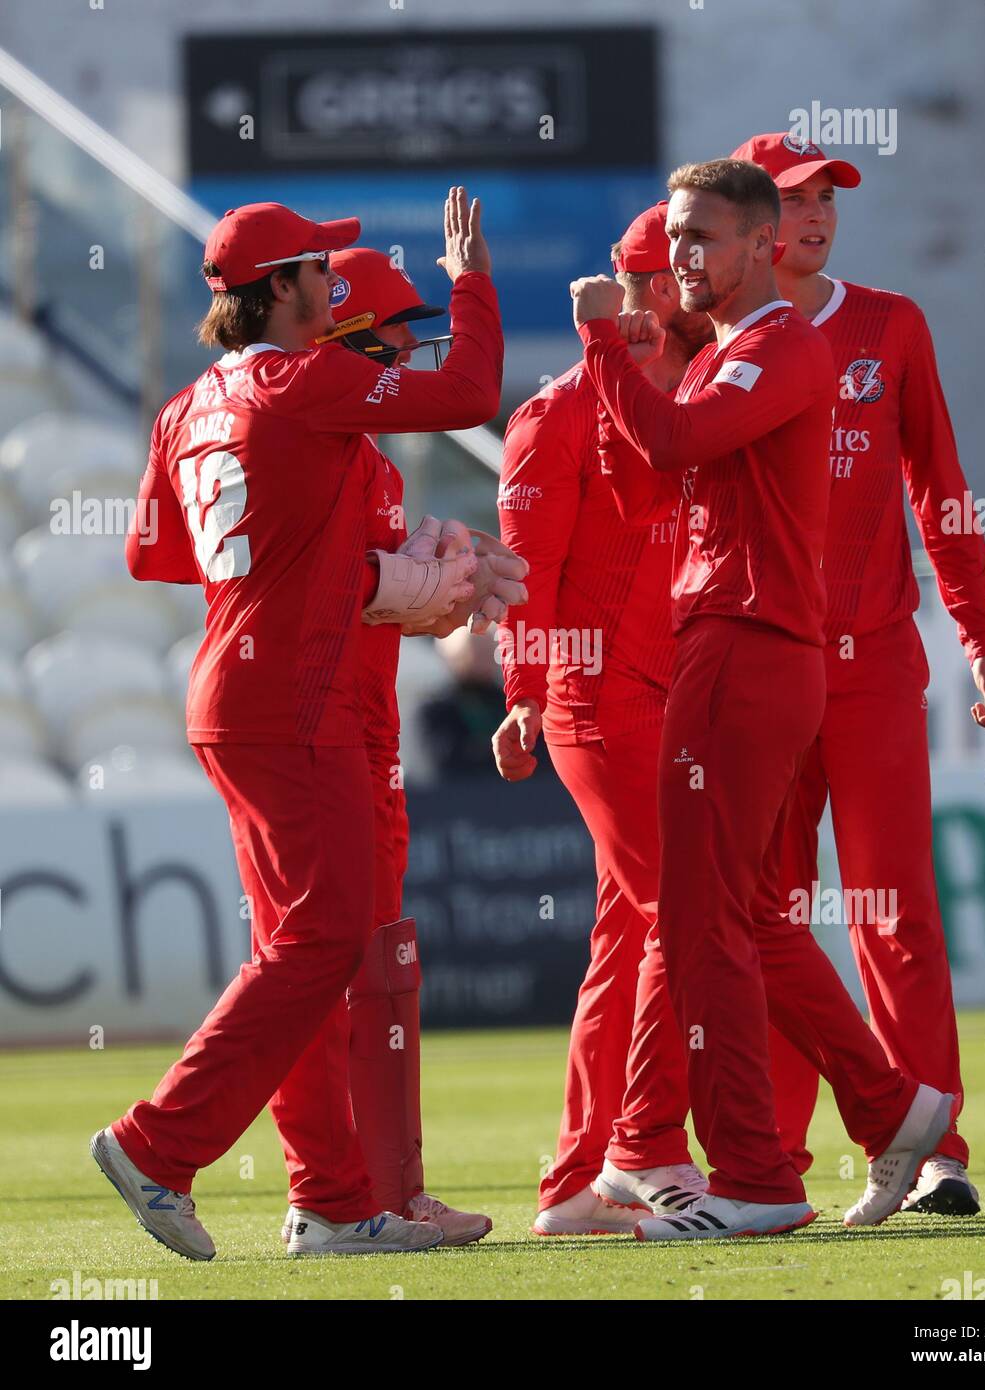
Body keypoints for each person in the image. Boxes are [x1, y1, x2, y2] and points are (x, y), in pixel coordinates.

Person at [94, 189, 505, 1259]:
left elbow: (151, 555)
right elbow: (470, 389)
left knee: (306, 946)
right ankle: (157, 1144)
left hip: (230, 692)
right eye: (320, 270)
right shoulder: (307, 378)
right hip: (294, 702)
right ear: (280, 289)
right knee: (324, 938)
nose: (334, 283)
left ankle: (330, 1199)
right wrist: (471, 277)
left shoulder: (188, 406)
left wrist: (303, 559)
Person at [570, 158, 953, 1241]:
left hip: (746, 643)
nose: (681, 255)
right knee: (727, 913)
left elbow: (677, 446)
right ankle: (879, 1107)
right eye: (675, 236)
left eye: (701, 236)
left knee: (702, 919)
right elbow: (652, 468)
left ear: (758, 248)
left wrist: (606, 345)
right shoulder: (731, 351)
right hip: (736, 641)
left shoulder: (782, 342)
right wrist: (634, 356)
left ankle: (757, 1172)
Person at [730, 131, 985, 1215]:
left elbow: (940, 488)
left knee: (893, 909)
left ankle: (936, 1144)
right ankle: (773, 1164)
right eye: (795, 199)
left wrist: (979, 636)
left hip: (871, 667)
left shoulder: (889, 323)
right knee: (769, 911)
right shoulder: (714, 337)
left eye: (827, 199)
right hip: (761, 669)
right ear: (752, 222)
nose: (815, 216)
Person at [288, 246, 525, 1245]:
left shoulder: (370, 461)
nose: (410, 355)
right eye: (397, 338)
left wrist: (435, 593)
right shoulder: (303, 443)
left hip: (367, 733)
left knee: (380, 963)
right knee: (313, 968)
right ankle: (327, 1198)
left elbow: (381, 606)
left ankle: (389, 1192)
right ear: (347, 339)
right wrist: (390, 583)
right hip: (310, 733)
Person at [491, 202, 715, 1236]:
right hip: (598, 701)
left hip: (671, 698)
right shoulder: (554, 414)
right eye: (646, 280)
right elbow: (525, 575)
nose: (656, 299)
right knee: (681, 910)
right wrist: (523, 693)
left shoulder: (699, 398)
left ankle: (575, 1183)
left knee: (629, 937)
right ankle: (644, 1150)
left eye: (665, 278)